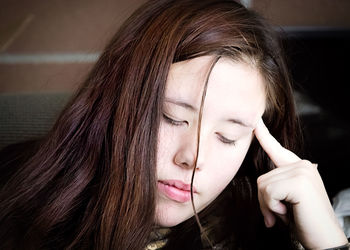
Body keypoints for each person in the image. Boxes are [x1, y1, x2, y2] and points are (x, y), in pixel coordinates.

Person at [0, 0, 348, 249]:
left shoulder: (257, 230)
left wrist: (328, 243)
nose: (193, 157)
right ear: (116, 100)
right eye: (172, 118)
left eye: (229, 137)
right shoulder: (14, 196)